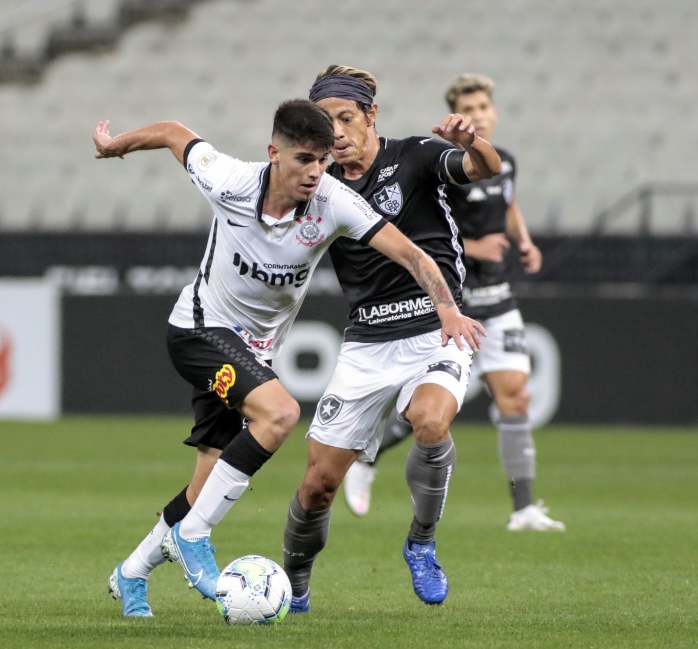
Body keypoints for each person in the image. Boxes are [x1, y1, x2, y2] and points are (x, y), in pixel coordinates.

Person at [92, 99, 485, 617]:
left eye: (323, 160)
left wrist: (449, 310)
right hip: (198, 330)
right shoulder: (227, 179)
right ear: (273, 153)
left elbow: (411, 253)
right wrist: (114, 146)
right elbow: (171, 132)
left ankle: (132, 572)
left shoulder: (334, 200)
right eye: (304, 159)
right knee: (279, 413)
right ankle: (194, 536)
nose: (316, 172)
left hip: (252, 353)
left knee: (207, 478)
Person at [281, 65, 502, 610]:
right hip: (365, 344)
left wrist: (476, 145)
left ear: (371, 115)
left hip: (437, 327)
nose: (336, 132)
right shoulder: (318, 186)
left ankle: (421, 543)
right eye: (325, 122)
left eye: (346, 118)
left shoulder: (417, 155)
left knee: (430, 422)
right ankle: (294, 581)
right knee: (316, 489)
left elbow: (483, 169)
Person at [341, 74, 565, 533]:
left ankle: (522, 509)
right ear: (458, 110)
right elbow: (421, 222)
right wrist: (473, 245)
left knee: (514, 397)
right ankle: (367, 457)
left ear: (494, 111)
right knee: (428, 414)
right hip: (447, 303)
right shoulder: (445, 163)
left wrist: (524, 240)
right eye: (471, 106)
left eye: (485, 105)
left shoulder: (506, 162)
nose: (480, 113)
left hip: (499, 300)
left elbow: (508, 200)